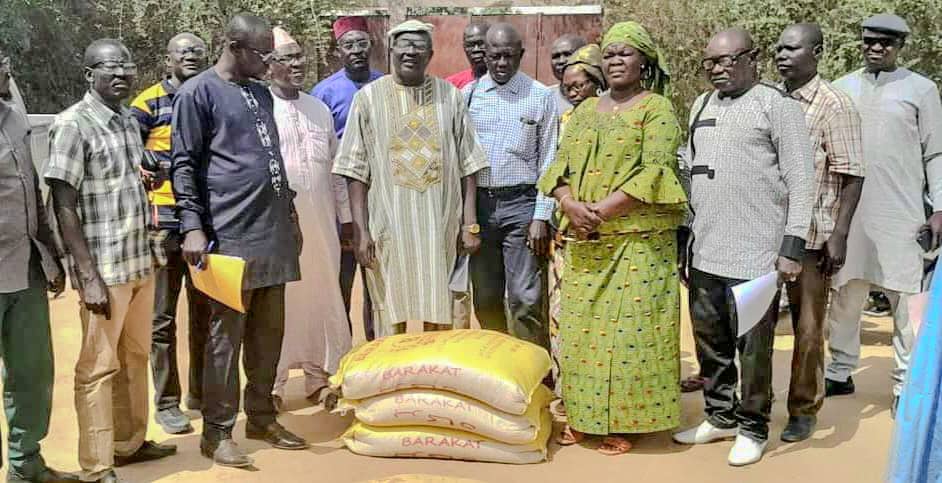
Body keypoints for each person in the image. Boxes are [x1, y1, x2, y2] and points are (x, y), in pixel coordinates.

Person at [538, 21, 686, 455]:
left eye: (626, 53)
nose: (617, 60)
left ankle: (625, 422)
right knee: (583, 334)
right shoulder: (583, 112)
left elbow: (655, 171)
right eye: (610, 54)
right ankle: (585, 417)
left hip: (638, 244)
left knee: (630, 336)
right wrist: (569, 204)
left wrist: (600, 211)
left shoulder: (656, 109)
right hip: (586, 241)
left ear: (644, 62)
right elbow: (559, 168)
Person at [171, 14, 309, 468]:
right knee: (223, 340)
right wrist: (192, 226)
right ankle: (216, 431)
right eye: (262, 54)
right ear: (234, 47)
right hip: (227, 239)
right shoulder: (198, 92)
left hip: (272, 235)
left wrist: (289, 215)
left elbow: (271, 161)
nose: (270, 63)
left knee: (269, 335)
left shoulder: (259, 92)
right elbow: (184, 165)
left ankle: (262, 417)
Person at [671, 28, 813, 466]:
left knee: (753, 349)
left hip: (757, 256)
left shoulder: (778, 106)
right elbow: (690, 168)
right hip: (706, 251)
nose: (716, 69)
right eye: (710, 62)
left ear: (753, 59)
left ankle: (752, 426)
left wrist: (792, 246)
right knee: (709, 342)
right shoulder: (699, 105)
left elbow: (802, 180)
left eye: (726, 60)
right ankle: (720, 416)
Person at [46, 38, 177, 483]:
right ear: (90, 76)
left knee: (135, 356)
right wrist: (86, 275)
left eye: (127, 65)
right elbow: (63, 204)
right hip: (104, 268)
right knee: (98, 368)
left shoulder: (124, 120)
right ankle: (97, 465)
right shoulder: (72, 124)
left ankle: (129, 443)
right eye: (111, 67)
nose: (122, 73)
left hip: (140, 259)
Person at [333, 20, 488, 337]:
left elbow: (468, 164)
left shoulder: (450, 97)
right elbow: (354, 169)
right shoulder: (369, 99)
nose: (411, 52)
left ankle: (437, 381)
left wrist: (469, 224)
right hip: (388, 228)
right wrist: (360, 231)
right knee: (390, 311)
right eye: (404, 46)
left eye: (419, 47)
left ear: (430, 53)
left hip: (440, 229)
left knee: (442, 309)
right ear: (391, 50)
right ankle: (394, 382)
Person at [825, 14, 942, 416]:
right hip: (850, 216)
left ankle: (903, 384)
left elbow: (936, 152)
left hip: (902, 213)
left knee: (906, 302)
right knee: (845, 295)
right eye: (870, 41)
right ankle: (839, 371)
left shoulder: (921, 90)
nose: (876, 48)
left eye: (886, 43)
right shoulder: (841, 89)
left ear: (900, 46)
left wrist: (940, 208)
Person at [774, 23, 865, 442]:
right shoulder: (771, 100)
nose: (782, 55)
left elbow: (851, 174)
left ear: (817, 52)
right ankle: (751, 403)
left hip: (813, 236)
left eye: (792, 49)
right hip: (767, 233)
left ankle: (803, 407)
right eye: (778, 48)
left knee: (808, 328)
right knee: (754, 320)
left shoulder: (834, 105)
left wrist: (840, 233)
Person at [0, 49, 81, 483]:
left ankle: (25, 463)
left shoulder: (14, 117)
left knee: (32, 375)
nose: (5, 69)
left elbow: (32, 190)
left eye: (4, 61)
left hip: (24, 267)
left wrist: (51, 255)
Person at [129, 32, 209, 435]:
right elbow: (128, 145)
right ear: (168, 58)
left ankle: (201, 392)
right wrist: (152, 164)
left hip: (203, 223)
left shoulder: (209, 95)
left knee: (204, 310)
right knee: (162, 318)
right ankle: (166, 402)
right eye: (183, 51)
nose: (191, 56)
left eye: (197, 50)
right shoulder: (147, 102)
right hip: (161, 223)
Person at [268, 27, 351, 404]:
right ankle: (273, 382)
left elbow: (334, 169)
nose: (298, 63)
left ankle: (318, 376)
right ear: (268, 65)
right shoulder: (261, 108)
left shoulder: (318, 107)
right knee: (279, 302)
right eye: (287, 58)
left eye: (300, 56)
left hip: (322, 225)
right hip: (277, 228)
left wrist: (346, 217)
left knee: (321, 294)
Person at [465, 23, 557, 349]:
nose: (501, 63)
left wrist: (540, 216)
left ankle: (532, 370)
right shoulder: (470, 96)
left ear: (521, 54)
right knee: (486, 297)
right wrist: (467, 220)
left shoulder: (540, 96)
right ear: (484, 56)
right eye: (494, 56)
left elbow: (549, 159)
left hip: (522, 206)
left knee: (525, 297)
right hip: (481, 207)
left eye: (508, 56)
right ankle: (500, 365)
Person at [311, 16, 381, 340]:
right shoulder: (323, 92)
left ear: (371, 45)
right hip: (339, 201)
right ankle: (340, 354)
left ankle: (376, 352)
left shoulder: (385, 86)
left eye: (361, 43)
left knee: (377, 284)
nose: (356, 50)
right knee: (340, 281)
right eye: (348, 44)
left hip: (378, 199)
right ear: (339, 50)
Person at [548, 41, 606, 412]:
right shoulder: (564, 121)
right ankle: (566, 396)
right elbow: (552, 172)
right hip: (565, 234)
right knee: (561, 317)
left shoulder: (613, 117)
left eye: (580, 84)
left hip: (603, 233)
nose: (572, 91)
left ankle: (598, 400)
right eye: (567, 86)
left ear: (597, 84)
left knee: (596, 320)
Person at [559, 43, 606, 127]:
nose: (572, 94)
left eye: (578, 86)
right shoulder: (565, 120)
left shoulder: (611, 116)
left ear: (597, 82)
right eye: (567, 88)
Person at [549, 34, 587, 114]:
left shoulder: (605, 98)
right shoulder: (545, 97)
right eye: (556, 56)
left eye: (567, 54)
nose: (561, 61)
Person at [445, 22, 490, 90]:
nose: (476, 49)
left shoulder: (507, 82)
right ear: (464, 48)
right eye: (470, 45)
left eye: (481, 43)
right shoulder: (452, 85)